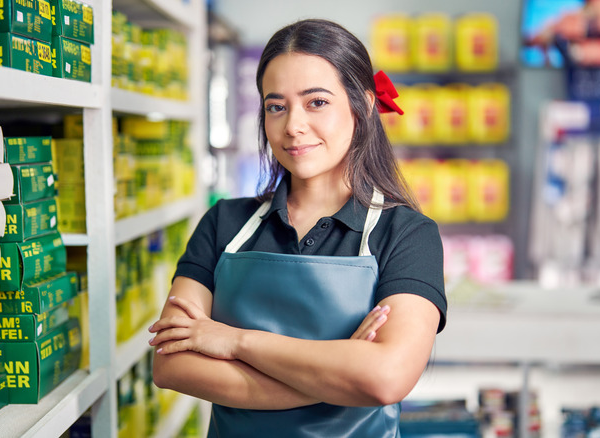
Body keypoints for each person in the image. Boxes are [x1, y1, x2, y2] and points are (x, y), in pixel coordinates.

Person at [149, 18, 447, 438]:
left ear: (361, 105)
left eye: (317, 102)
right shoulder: (225, 224)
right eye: (276, 106)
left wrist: (234, 342)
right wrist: (337, 374)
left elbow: (385, 378)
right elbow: (170, 364)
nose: (293, 125)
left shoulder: (407, 234)